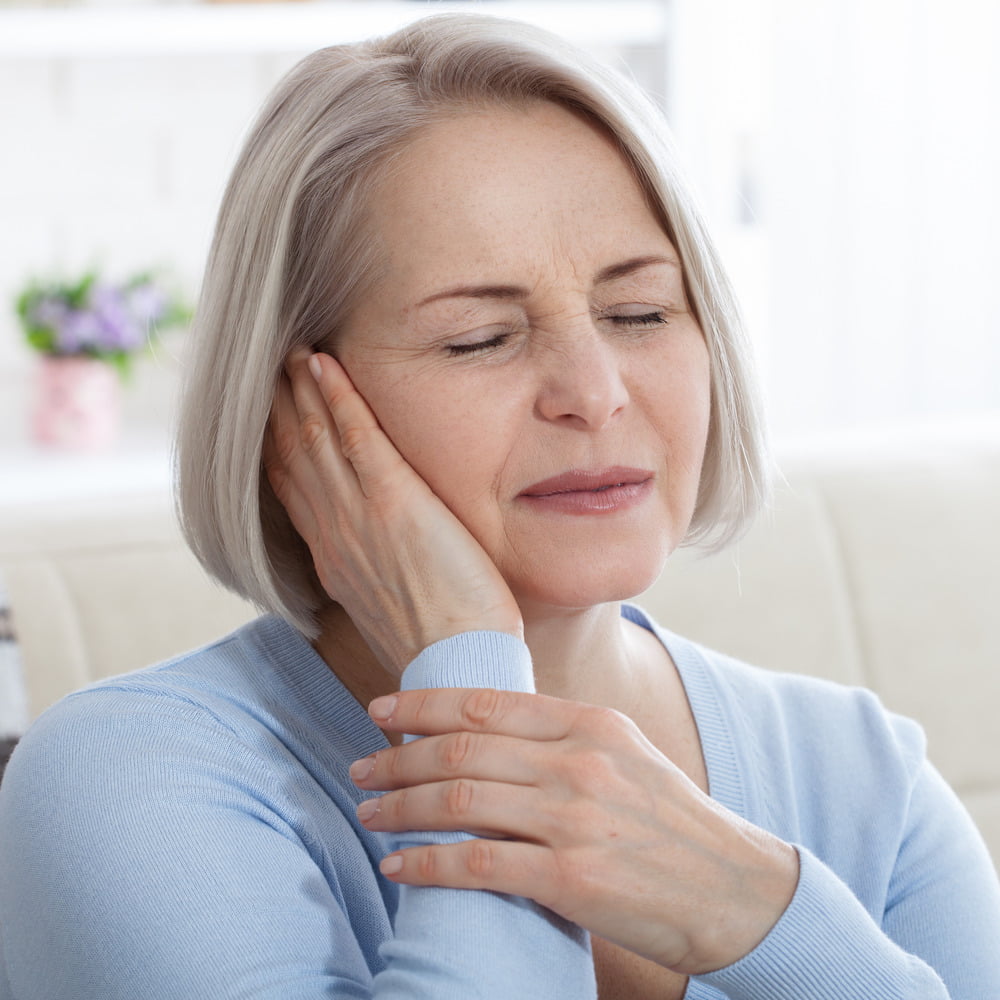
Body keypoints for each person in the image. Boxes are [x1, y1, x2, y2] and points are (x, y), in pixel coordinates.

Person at [1, 13, 998, 1000]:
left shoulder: (869, 778)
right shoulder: (120, 782)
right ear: (290, 419)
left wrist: (758, 913)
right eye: (479, 337)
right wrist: (472, 671)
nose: (594, 389)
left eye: (640, 312)